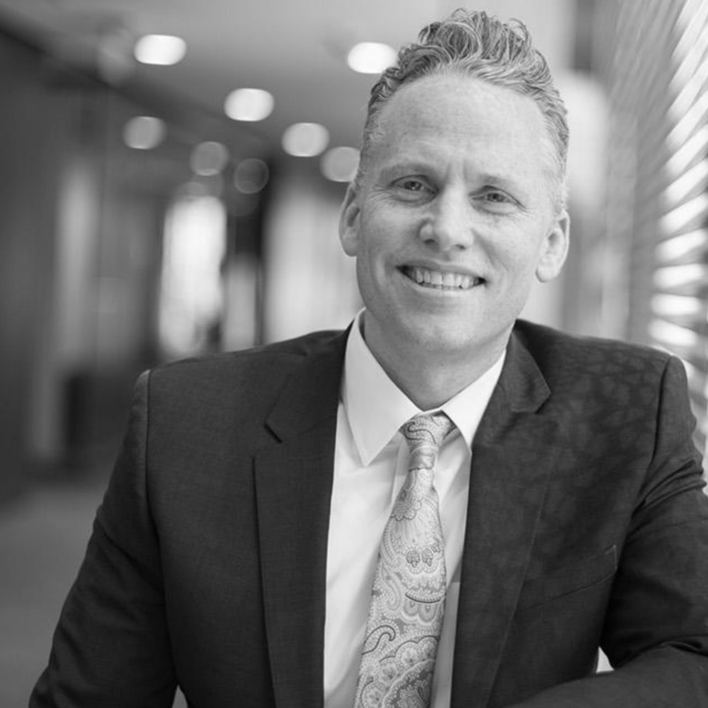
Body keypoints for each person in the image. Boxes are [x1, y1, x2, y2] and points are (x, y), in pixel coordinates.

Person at [31, 9, 708, 708]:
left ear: (553, 242)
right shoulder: (183, 425)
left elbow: (693, 653)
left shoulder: (630, 413)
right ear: (354, 214)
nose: (447, 229)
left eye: (494, 197)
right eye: (414, 184)